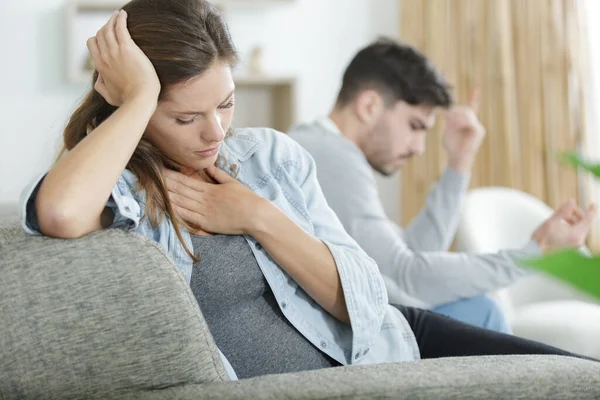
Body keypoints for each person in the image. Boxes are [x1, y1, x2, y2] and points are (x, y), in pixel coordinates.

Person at [20, 0, 595, 381]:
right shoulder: (125, 196)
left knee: (576, 376)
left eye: (225, 104)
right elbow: (60, 213)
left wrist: (258, 216)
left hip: (383, 343)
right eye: (184, 117)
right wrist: (139, 96)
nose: (215, 132)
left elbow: (370, 294)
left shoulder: (267, 156)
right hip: (360, 373)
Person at [289, 38, 597, 333]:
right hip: (340, 332)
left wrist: (459, 162)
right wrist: (534, 254)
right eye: (415, 126)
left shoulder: (319, 146)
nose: (419, 147)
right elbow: (408, 275)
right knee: (481, 311)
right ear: (369, 106)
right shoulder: (332, 157)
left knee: (477, 309)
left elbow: (414, 254)